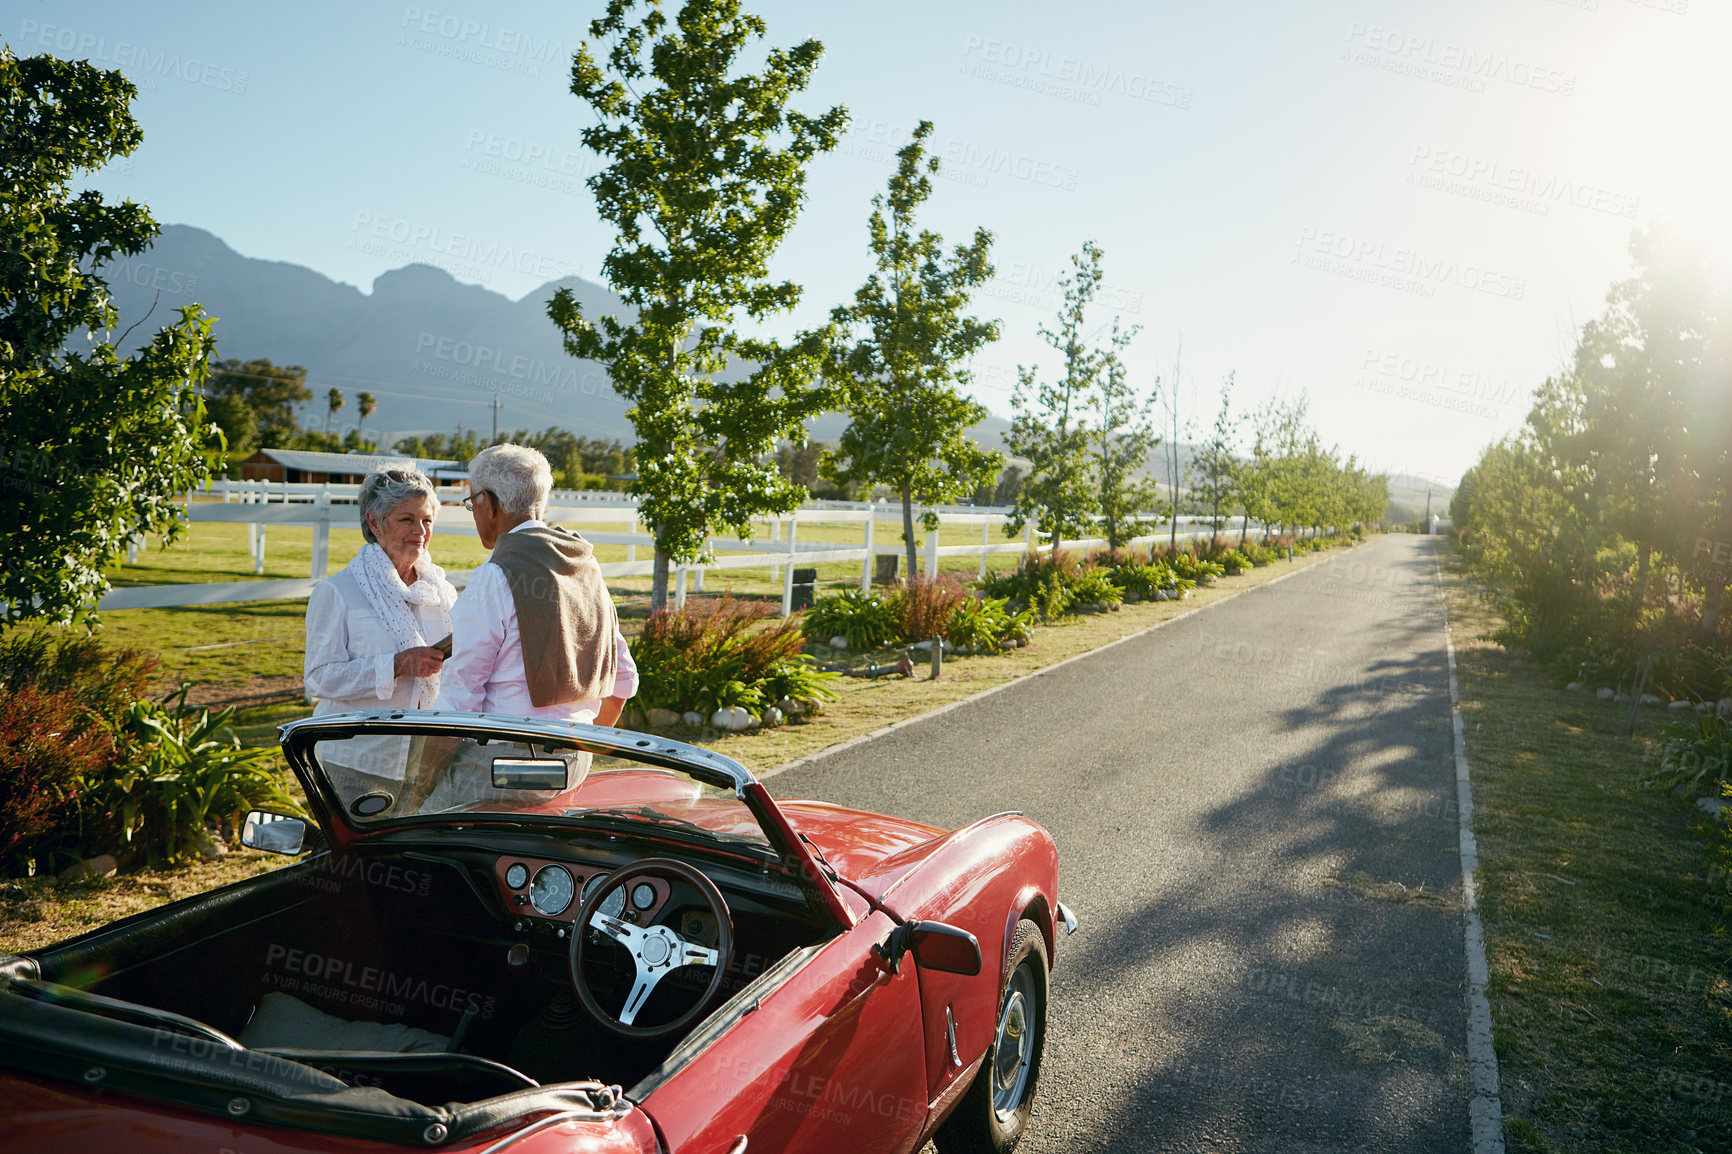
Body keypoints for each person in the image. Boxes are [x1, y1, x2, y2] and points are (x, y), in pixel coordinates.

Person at [303, 467, 457, 800]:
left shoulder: (442, 594)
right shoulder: (338, 591)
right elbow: (318, 679)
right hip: (356, 761)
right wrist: (397, 665)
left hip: (428, 762)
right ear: (374, 523)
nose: (420, 531)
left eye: (427, 521)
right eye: (407, 519)